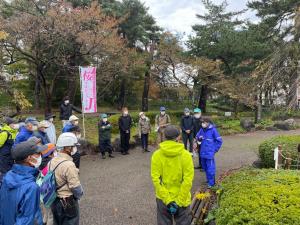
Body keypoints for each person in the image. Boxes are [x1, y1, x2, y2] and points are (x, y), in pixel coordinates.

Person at [151, 125, 194, 225]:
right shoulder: (186, 155)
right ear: (178, 137)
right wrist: (178, 202)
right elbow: (187, 180)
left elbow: (156, 179)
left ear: (164, 137)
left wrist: (168, 200)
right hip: (182, 199)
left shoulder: (157, 155)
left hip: (163, 199)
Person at [0, 138, 48, 225]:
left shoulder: (8, 175)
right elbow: (27, 220)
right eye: (38, 153)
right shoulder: (31, 187)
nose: (41, 155)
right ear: (29, 158)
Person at [50, 132, 83, 225]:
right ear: (68, 147)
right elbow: (75, 187)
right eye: (74, 146)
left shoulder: (52, 160)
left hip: (54, 200)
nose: (75, 149)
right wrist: (80, 195)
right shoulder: (69, 165)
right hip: (67, 201)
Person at [196, 118, 223, 188]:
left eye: (204, 122)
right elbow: (197, 136)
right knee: (205, 167)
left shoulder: (213, 130)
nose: (203, 124)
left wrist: (214, 150)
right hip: (202, 152)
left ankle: (211, 183)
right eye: (202, 123)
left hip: (209, 153)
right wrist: (199, 138)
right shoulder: (202, 129)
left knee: (210, 168)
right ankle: (208, 180)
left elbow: (219, 141)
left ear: (208, 123)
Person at [39, 143, 56, 225]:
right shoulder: (51, 164)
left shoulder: (40, 162)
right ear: (50, 154)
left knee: (45, 213)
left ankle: (44, 222)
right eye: (54, 151)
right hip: (48, 192)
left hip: (41, 192)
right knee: (51, 215)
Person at [0, 117, 19, 183]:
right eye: (12, 124)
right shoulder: (5, 133)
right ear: (8, 124)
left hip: (10, 156)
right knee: (4, 172)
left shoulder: (13, 133)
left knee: (10, 171)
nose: (14, 125)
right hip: (4, 157)